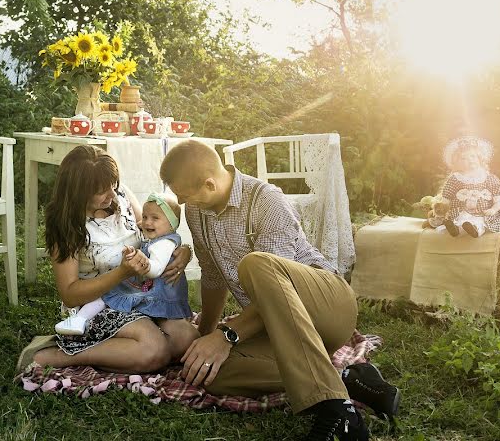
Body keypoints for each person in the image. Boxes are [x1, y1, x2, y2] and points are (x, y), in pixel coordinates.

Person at [159, 140, 400, 441]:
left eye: (185, 196)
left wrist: (227, 335)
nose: (182, 204)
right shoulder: (199, 213)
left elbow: (276, 288)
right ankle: (345, 380)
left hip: (328, 307)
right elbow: (212, 277)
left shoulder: (266, 201)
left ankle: (334, 408)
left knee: (256, 265)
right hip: (279, 327)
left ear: (209, 183)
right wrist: (205, 336)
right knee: (210, 372)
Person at [21, 145, 199, 374]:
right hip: (97, 305)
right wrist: (121, 274)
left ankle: (123, 349)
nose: (112, 194)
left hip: (140, 293)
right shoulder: (66, 225)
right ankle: (62, 354)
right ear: (78, 191)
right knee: (154, 352)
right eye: (101, 191)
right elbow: (70, 293)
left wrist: (183, 250)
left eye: (112, 185)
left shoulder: (121, 195)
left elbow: (151, 232)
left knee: (187, 340)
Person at [55, 192, 192, 335]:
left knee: (110, 296)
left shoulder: (164, 242)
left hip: (156, 293)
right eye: (145, 217)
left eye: (155, 218)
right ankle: (79, 321)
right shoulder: (158, 234)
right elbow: (142, 227)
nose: (147, 222)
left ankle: (80, 320)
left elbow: (156, 269)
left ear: (172, 224)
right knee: (110, 296)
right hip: (143, 289)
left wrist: (144, 262)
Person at [438, 136, 500, 237]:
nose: (470, 160)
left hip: (482, 213)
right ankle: (454, 229)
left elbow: (499, 198)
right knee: (459, 218)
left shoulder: (489, 178)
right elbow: (447, 197)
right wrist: (442, 209)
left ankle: (475, 230)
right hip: (461, 211)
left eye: (472, 156)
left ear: (479, 157)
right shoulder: (456, 178)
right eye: (464, 158)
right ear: (457, 161)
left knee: (479, 222)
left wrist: (493, 209)